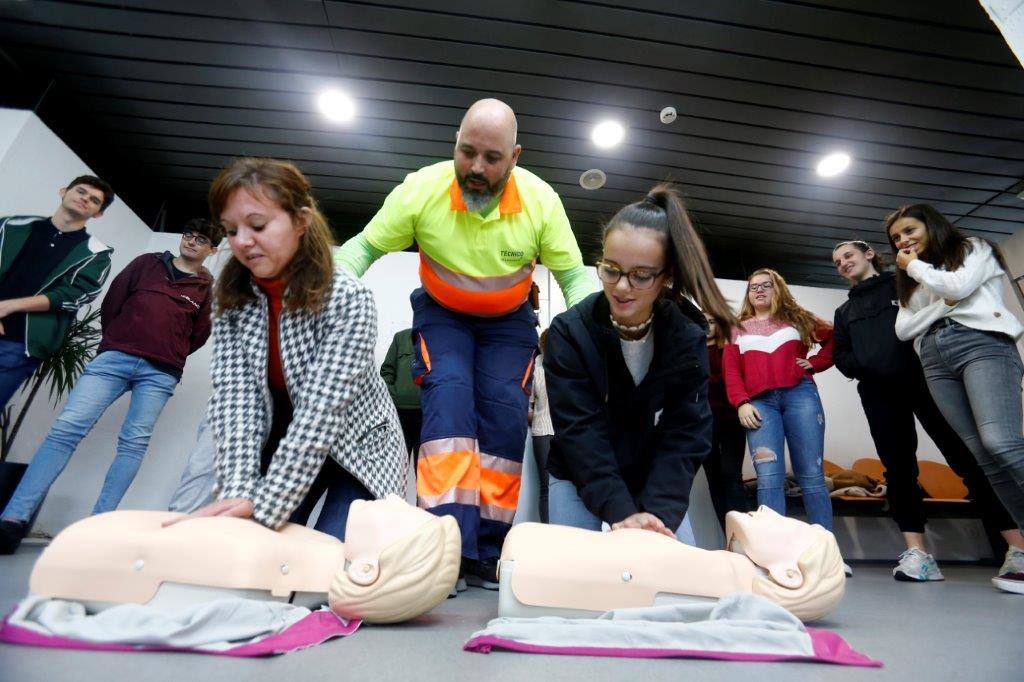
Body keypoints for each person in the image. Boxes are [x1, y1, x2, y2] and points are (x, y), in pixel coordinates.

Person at [334, 98, 595, 588]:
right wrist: (333, 289)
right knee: (448, 412)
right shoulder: (422, 189)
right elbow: (364, 247)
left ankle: (486, 555)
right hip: (443, 315)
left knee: (502, 424)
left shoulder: (541, 201)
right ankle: (444, 552)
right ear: (455, 143)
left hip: (508, 322)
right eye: (466, 152)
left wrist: (595, 333)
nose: (476, 168)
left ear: (515, 157)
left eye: (491, 158)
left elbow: (574, 278)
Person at [166, 158, 407, 541]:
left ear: (300, 221)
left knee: (334, 561)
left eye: (258, 226)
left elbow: (320, 414)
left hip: (357, 441)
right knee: (260, 547)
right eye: (231, 230)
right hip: (282, 433)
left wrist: (265, 506)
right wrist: (240, 491)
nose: (242, 241)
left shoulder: (347, 297)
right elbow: (236, 400)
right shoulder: (232, 297)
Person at [0, 220, 219, 554]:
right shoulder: (146, 264)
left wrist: (169, 350)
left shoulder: (207, 287)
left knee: (133, 444)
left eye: (201, 239)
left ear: (212, 250)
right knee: (66, 430)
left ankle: (97, 528)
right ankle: (13, 518)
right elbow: (113, 303)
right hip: (114, 359)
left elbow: (199, 334)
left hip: (160, 373)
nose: (191, 241)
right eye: (187, 234)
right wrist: (118, 340)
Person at [544, 185, 738, 544]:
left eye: (641, 275)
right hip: (580, 473)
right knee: (573, 580)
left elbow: (686, 433)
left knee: (671, 583)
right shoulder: (570, 333)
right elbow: (580, 433)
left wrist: (656, 516)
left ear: (666, 276)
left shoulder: (686, 334)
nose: (621, 287)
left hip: (654, 479)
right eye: (611, 270)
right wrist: (621, 512)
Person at [832, 240, 1021, 582]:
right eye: (837, 262)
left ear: (869, 254)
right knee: (899, 470)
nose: (843, 263)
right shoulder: (844, 312)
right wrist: (864, 365)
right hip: (878, 395)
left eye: (848, 256)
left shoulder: (902, 286)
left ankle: (1017, 548)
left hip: (927, 382)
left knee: (969, 459)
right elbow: (841, 356)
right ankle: (919, 555)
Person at [887, 204, 1024, 593]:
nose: (903, 241)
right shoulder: (912, 282)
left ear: (931, 225)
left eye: (909, 230)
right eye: (896, 238)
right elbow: (903, 329)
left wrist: (916, 269)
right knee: (983, 455)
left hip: (981, 343)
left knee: (1001, 441)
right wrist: (940, 307)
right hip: (933, 357)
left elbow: (957, 288)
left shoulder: (973, 248)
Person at [722, 268, 839, 559]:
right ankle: (772, 556)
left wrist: (816, 362)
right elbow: (731, 370)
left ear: (778, 289)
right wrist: (741, 402)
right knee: (769, 478)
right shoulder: (736, 327)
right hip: (759, 404)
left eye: (766, 285)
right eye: (753, 287)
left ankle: (825, 556)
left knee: (811, 475)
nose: (759, 290)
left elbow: (835, 339)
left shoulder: (798, 319)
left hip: (801, 396)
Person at [0, 176, 115, 411]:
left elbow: (72, 294)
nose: (85, 199)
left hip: (20, 344)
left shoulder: (96, 254)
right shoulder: (11, 225)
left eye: (94, 200)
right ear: (63, 191)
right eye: (81, 191)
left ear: (98, 213)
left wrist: (9, 306)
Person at [702, 311, 749, 530]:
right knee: (714, 479)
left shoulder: (728, 350)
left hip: (731, 419)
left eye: (712, 322)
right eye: (703, 322)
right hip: (703, 424)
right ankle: (728, 536)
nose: (707, 326)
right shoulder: (692, 351)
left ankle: (742, 535)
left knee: (731, 475)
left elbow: (736, 379)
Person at [379, 328, 422, 459]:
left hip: (428, 414)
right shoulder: (400, 337)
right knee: (396, 462)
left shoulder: (439, 338)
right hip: (399, 414)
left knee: (423, 467)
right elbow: (387, 370)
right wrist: (394, 395)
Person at [529, 329, 552, 523]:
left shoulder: (534, 369)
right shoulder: (569, 367)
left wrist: (536, 413)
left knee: (546, 487)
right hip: (560, 432)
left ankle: (547, 529)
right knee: (562, 486)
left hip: (541, 433)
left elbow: (528, 406)